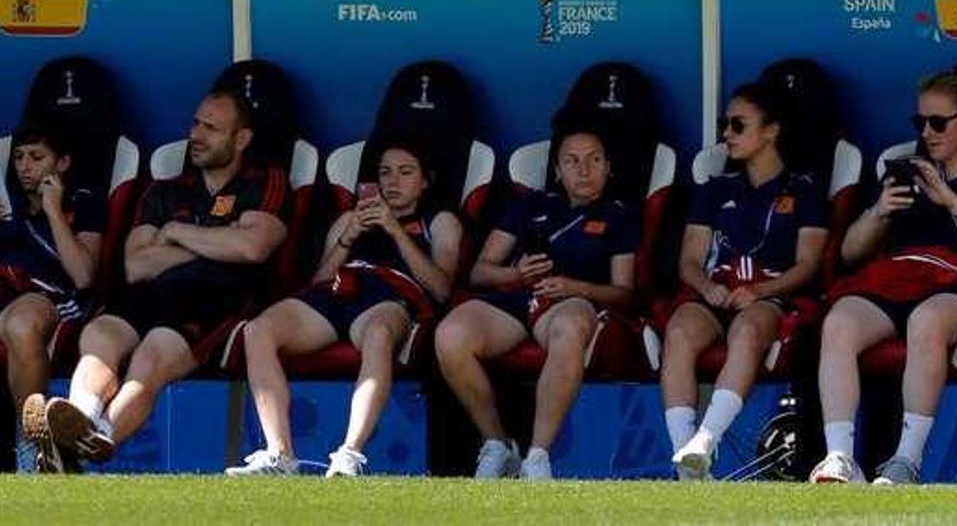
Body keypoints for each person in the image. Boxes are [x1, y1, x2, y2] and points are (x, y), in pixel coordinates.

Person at [22, 91, 288, 473]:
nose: (196, 134)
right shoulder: (164, 189)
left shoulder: (265, 182)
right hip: (147, 293)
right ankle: (79, 418)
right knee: (100, 336)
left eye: (210, 128)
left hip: (214, 299)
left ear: (241, 139)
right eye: (196, 123)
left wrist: (176, 232)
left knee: (150, 357)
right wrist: (218, 240)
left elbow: (252, 247)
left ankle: (79, 445)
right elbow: (137, 263)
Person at [810, 70, 957, 484]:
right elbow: (850, 252)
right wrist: (878, 212)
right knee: (839, 321)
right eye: (920, 123)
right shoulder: (906, 170)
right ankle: (840, 456)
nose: (927, 133)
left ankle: (905, 459)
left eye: (938, 122)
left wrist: (950, 201)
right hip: (899, 276)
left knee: (925, 321)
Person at [225, 142, 461, 477]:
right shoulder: (351, 217)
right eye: (385, 173)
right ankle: (279, 454)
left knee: (379, 335)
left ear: (424, 181)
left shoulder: (438, 221)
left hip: (390, 296)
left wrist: (395, 231)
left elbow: (441, 288)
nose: (393, 181)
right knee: (258, 330)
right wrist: (348, 236)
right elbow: (320, 281)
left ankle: (350, 453)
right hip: (341, 290)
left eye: (405, 173)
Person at [434, 126, 638, 480]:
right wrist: (515, 275)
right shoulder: (531, 204)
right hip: (515, 299)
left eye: (594, 160)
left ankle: (537, 457)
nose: (584, 170)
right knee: (450, 334)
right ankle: (497, 443)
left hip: (570, 303)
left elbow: (625, 293)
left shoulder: (618, 215)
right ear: (558, 170)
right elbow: (480, 273)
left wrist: (577, 287)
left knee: (569, 329)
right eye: (572, 161)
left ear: (608, 167)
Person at [662, 83, 828, 481]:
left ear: (771, 130)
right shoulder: (716, 188)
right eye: (724, 125)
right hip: (714, 291)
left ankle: (705, 439)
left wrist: (760, 291)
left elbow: (807, 264)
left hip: (769, 295)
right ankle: (684, 457)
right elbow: (688, 260)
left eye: (738, 125)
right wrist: (707, 288)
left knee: (749, 330)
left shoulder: (804, 191)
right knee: (680, 332)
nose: (726, 135)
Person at [1, 123, 103, 472]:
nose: (25, 166)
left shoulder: (83, 202)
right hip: (8, 286)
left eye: (36, 157)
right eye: (18, 157)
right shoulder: (8, 206)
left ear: (61, 163)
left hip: (54, 297)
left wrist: (54, 211)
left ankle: (32, 443)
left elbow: (83, 275)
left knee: (19, 323)